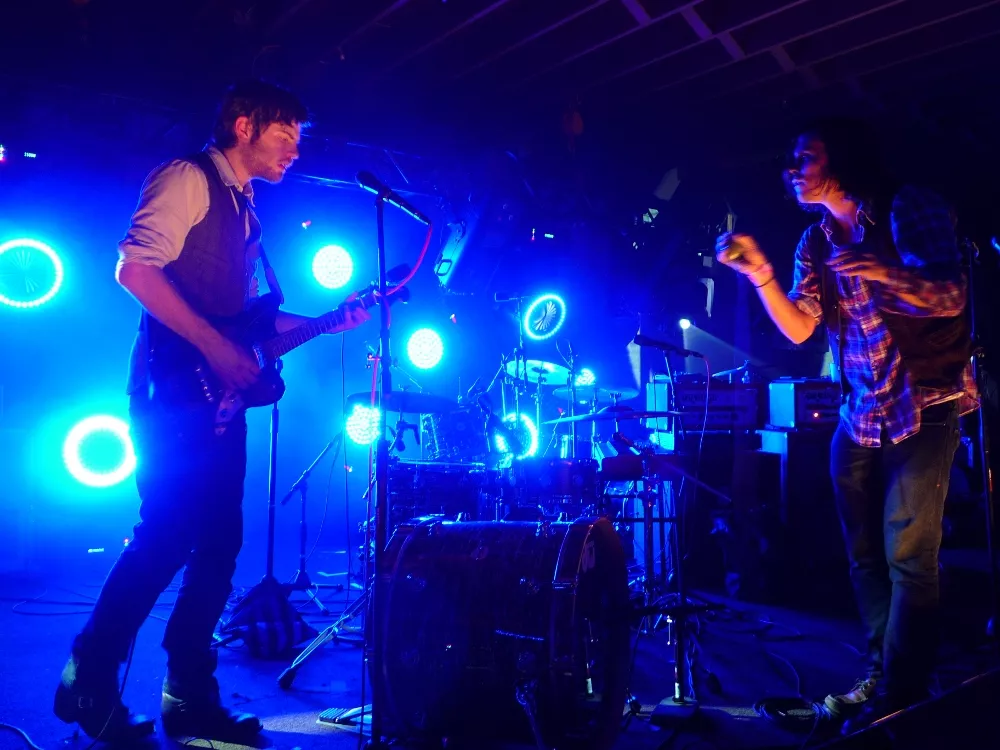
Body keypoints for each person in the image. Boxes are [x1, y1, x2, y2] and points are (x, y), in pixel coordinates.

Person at [54, 80, 371, 744]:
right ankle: (88, 677)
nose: (295, 150)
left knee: (220, 544)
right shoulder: (187, 178)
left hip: (218, 402)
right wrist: (215, 349)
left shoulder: (246, 211)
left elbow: (249, 323)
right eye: (284, 134)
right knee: (166, 535)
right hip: (173, 393)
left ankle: (188, 695)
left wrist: (328, 322)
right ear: (244, 125)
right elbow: (136, 270)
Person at [716, 117, 976, 731]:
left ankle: (902, 693)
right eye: (791, 158)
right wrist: (761, 275)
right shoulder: (815, 242)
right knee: (864, 559)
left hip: (923, 403)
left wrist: (883, 270)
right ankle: (883, 675)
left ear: (842, 155)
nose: (792, 168)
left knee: (909, 557)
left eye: (805, 155)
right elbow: (801, 328)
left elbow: (951, 296)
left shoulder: (904, 208)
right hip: (858, 415)